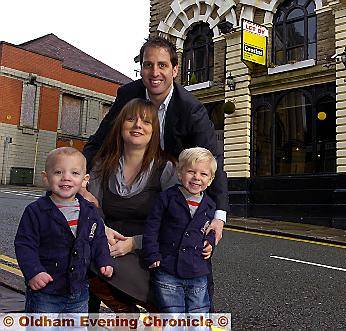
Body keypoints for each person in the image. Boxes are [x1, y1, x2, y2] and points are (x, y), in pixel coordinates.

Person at [83, 36, 228, 244]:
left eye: (162, 65)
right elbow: (98, 142)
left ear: (175, 70)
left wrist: (219, 216)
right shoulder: (128, 94)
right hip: (128, 182)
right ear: (141, 68)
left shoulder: (191, 109)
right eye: (148, 65)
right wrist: (78, 180)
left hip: (172, 184)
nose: (155, 73)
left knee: (188, 250)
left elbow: (212, 159)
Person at [85, 98, 209, 313]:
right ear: (120, 125)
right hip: (109, 243)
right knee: (80, 253)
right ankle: (126, 312)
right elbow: (92, 209)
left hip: (149, 248)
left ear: (155, 130)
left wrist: (134, 243)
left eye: (146, 122)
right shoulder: (102, 164)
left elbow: (177, 224)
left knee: (165, 296)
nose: (137, 125)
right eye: (131, 119)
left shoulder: (167, 168)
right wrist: (102, 231)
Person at [14, 147, 113, 313]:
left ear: (84, 180)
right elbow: (25, 245)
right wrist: (33, 272)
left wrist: (104, 260)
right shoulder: (35, 211)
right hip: (46, 293)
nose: (66, 177)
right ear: (46, 177)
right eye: (58, 172)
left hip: (79, 292)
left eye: (74, 173)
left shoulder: (89, 211)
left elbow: (99, 239)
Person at [143, 147, 217, 313]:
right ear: (179, 173)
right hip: (167, 270)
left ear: (210, 180)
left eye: (203, 174)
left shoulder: (210, 205)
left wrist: (211, 243)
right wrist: (152, 253)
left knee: (199, 315)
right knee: (172, 316)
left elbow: (210, 230)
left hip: (197, 271)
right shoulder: (167, 198)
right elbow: (152, 227)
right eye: (191, 171)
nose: (197, 177)